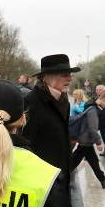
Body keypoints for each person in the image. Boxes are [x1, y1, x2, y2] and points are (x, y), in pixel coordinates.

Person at [21, 54, 81, 188]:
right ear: (49, 77)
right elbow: (27, 146)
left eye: (70, 74)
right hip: (43, 183)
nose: (70, 78)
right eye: (65, 74)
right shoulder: (31, 102)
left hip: (61, 178)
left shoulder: (64, 101)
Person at [70, 91, 105, 189]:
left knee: (93, 161)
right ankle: (60, 176)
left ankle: (104, 180)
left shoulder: (92, 106)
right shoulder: (93, 110)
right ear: (104, 100)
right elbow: (92, 129)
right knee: (73, 162)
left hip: (86, 140)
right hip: (86, 139)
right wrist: (99, 142)